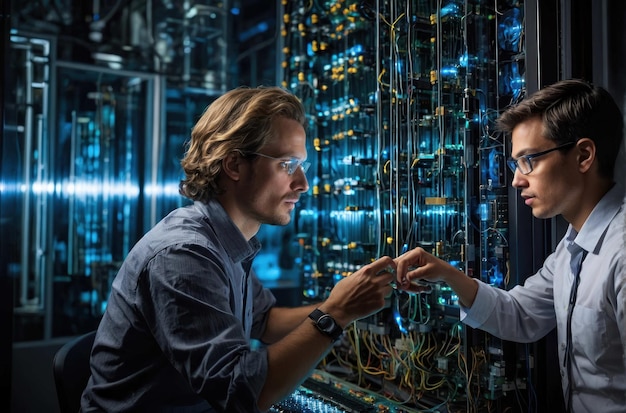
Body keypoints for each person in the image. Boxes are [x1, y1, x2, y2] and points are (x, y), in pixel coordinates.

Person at [81, 86, 395, 412]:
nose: (302, 184)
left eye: (302, 166)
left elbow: (266, 321)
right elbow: (242, 392)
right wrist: (335, 314)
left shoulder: (225, 241)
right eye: (287, 164)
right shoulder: (184, 255)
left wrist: (350, 305)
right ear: (234, 165)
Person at [394, 79, 626, 412]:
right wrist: (449, 275)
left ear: (584, 155)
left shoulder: (620, 251)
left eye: (529, 160)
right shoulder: (572, 247)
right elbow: (522, 315)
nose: (517, 179)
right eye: (515, 164)